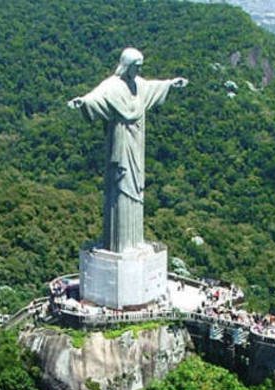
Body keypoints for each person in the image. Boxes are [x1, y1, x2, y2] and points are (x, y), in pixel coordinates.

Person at [68, 48, 187, 253]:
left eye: (140, 67)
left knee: (136, 187)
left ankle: (134, 241)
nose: (138, 71)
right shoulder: (112, 86)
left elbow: (153, 86)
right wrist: (82, 102)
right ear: (126, 66)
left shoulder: (139, 85)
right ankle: (119, 243)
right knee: (120, 187)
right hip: (120, 143)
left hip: (137, 142)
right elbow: (95, 97)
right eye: (135, 67)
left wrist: (170, 83)